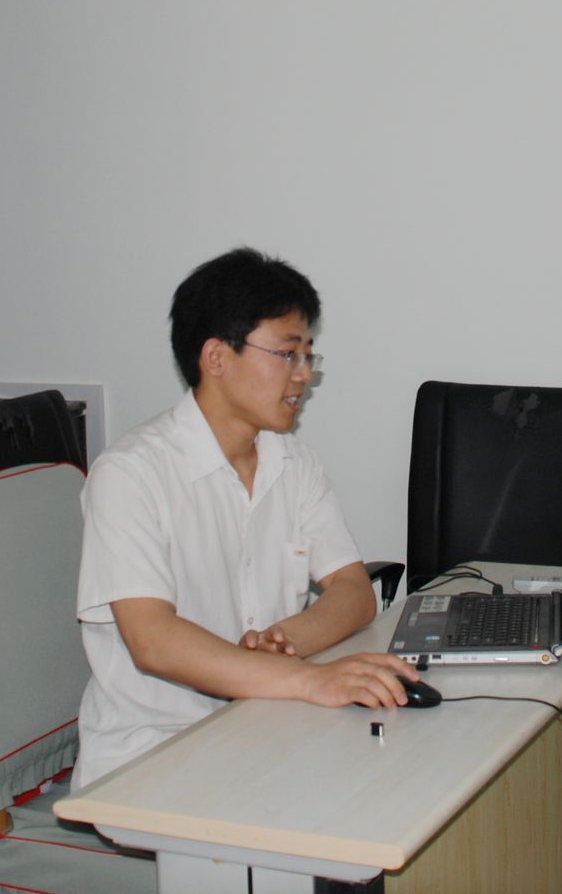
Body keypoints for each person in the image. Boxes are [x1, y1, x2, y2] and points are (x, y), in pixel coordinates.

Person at [71, 247, 417, 788]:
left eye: (309, 356)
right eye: (287, 353)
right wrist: (306, 679)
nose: (304, 375)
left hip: (266, 727)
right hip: (155, 754)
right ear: (216, 357)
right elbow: (152, 640)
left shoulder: (293, 462)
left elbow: (353, 590)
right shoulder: (130, 474)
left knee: (402, 776)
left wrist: (281, 641)